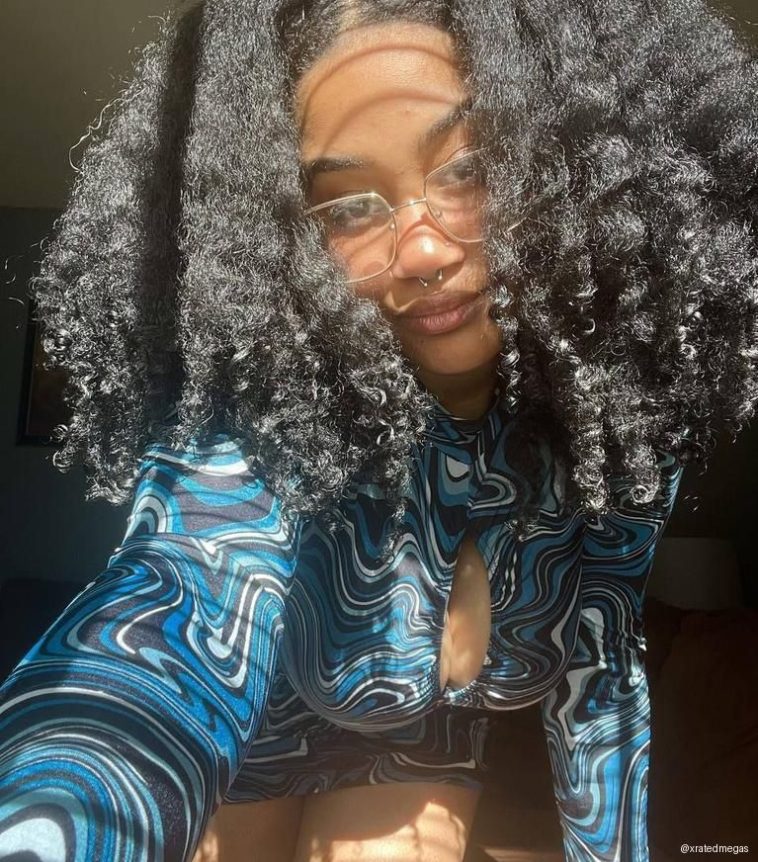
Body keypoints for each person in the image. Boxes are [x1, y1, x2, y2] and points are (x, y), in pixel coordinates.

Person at [0, 0, 755, 861]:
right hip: (251, 736)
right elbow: (178, 594)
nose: (424, 252)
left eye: (470, 167)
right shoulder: (279, 410)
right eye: (348, 208)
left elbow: (602, 666)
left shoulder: (620, 429)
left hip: (419, 742)